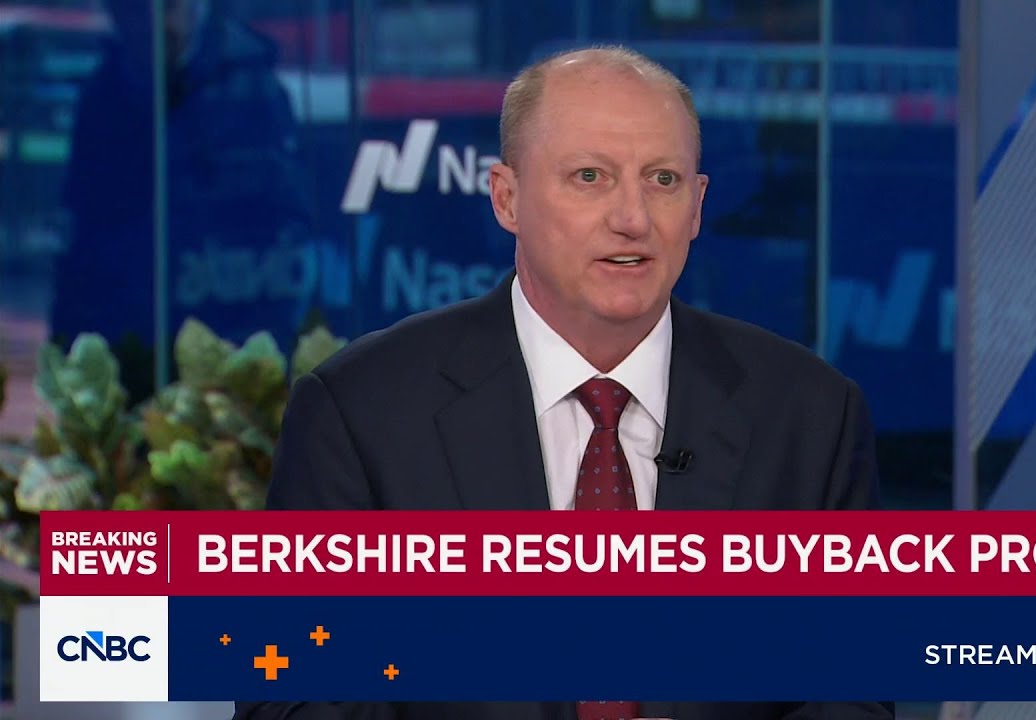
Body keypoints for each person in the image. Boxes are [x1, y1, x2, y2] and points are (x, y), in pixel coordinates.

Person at [236, 47, 891, 720]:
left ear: (696, 206)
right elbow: (289, 698)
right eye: (590, 177)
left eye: (662, 179)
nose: (633, 218)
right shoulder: (362, 412)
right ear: (507, 198)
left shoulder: (810, 415)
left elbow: (854, 693)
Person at [53, 0, 310, 400]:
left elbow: (284, 229)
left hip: (232, 334)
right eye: (130, 10)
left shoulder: (253, 83)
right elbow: (82, 238)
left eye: (166, 7)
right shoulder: (102, 95)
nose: (149, 24)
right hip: (135, 345)